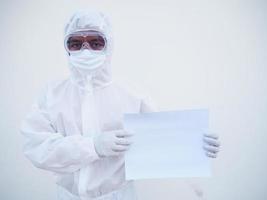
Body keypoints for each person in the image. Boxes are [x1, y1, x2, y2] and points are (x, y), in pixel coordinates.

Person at [20, 10, 220, 200]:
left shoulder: (131, 94)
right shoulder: (52, 94)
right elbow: (36, 147)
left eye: (96, 42)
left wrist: (194, 143)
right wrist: (93, 146)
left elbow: (160, 139)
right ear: (66, 47)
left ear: (109, 45)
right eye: (75, 43)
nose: (86, 50)